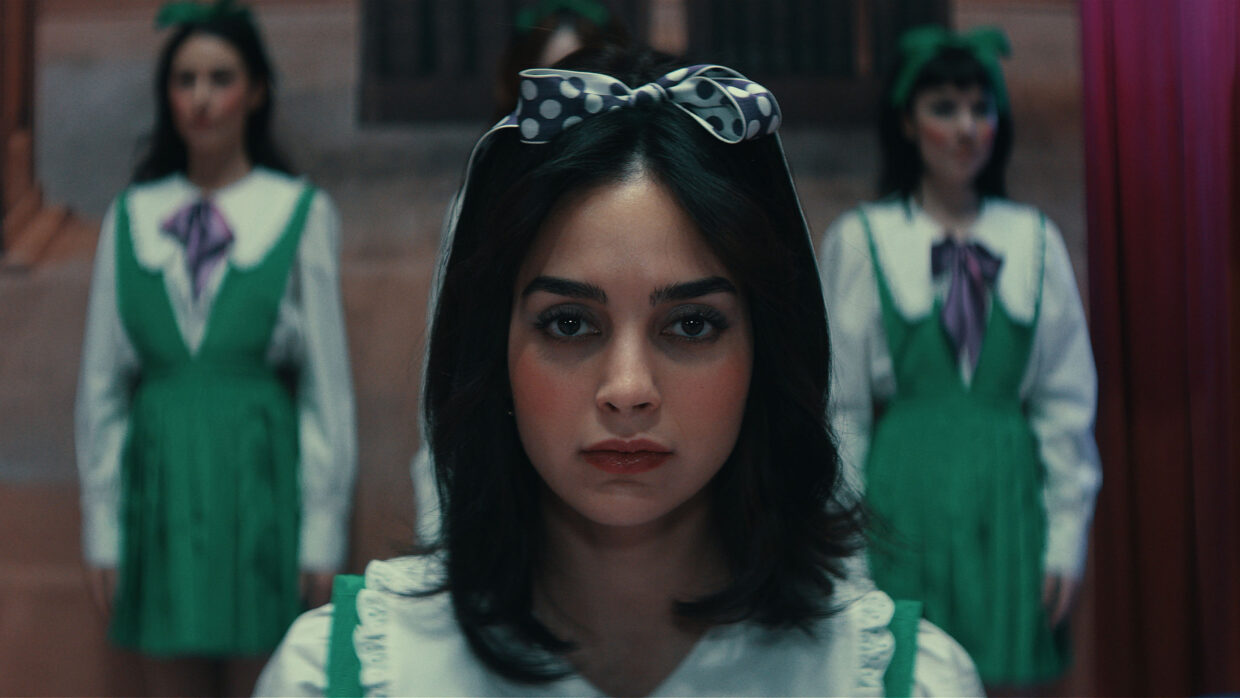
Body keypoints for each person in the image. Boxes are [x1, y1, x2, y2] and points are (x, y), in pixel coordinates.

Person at [256, 45, 983, 697]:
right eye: (569, 323)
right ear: (490, 346)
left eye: (691, 325)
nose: (628, 389)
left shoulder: (895, 680)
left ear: (769, 347)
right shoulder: (344, 674)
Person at [74, 1, 356, 694]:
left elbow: (328, 386)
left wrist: (322, 527)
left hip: (256, 484)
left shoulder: (298, 213)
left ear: (256, 91)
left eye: (220, 78)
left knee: (271, 680)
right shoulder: (132, 217)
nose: (200, 99)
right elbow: (100, 385)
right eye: (185, 79)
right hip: (162, 485)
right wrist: (103, 525)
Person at [818, 25, 1101, 688]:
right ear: (909, 123)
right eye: (944, 108)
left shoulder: (1034, 241)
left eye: (982, 108)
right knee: (907, 677)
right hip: (901, 507)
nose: (967, 127)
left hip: (1008, 513)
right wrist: (848, 553)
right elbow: (842, 410)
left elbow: (1066, 405)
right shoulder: (863, 240)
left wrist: (1065, 538)